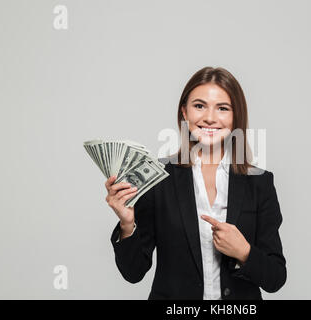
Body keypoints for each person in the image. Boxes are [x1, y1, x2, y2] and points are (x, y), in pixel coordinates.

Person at [105, 66, 286, 300]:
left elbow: (275, 279)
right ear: (184, 113)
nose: (209, 117)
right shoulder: (157, 178)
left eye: (222, 108)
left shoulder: (259, 183)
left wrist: (244, 251)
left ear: (235, 116)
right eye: (199, 106)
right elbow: (133, 272)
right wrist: (128, 224)